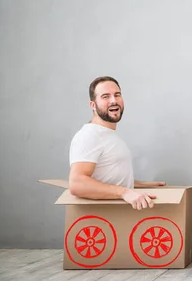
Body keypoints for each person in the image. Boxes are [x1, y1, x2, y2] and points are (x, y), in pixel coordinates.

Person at [68, 76, 165, 210]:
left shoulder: (107, 134)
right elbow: (77, 184)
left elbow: (105, 177)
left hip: (118, 217)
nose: (113, 101)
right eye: (105, 96)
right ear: (93, 105)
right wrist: (125, 192)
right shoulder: (89, 136)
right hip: (104, 221)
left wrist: (135, 184)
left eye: (117, 95)